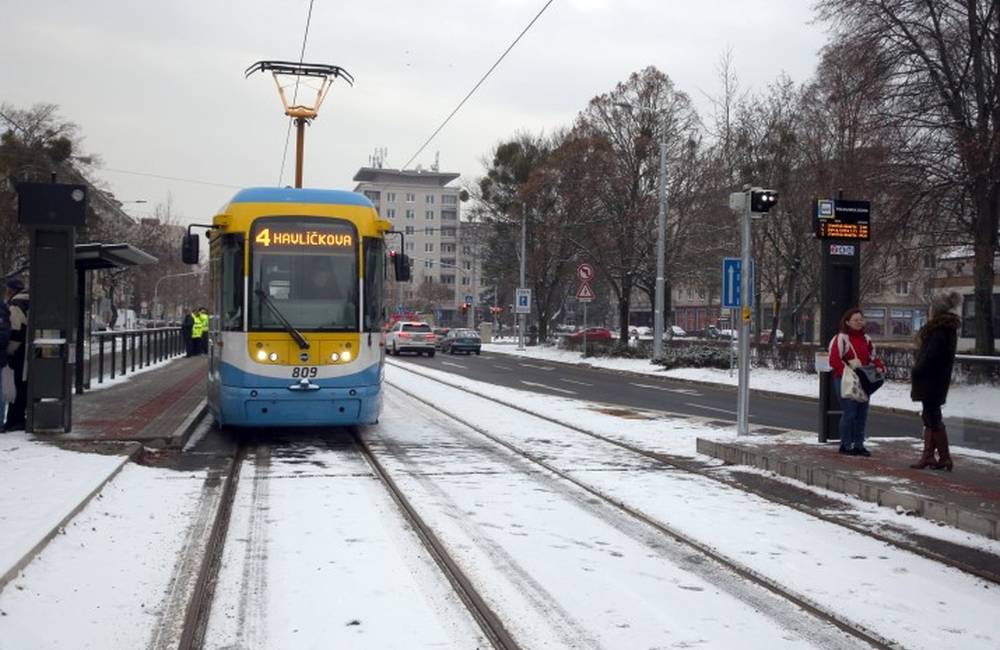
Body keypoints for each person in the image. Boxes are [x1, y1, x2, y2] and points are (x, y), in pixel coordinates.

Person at [909, 292, 961, 471]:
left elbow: (930, 356)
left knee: (932, 417)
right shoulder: (947, 328)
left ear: (936, 310)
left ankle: (939, 457)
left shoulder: (939, 330)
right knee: (931, 416)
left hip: (931, 380)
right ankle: (932, 456)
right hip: (936, 380)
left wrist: (917, 370)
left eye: (931, 308)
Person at [828, 308, 886, 456]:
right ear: (847, 322)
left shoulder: (866, 339)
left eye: (861, 319)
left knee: (862, 413)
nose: (859, 322)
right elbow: (834, 360)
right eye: (856, 320)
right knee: (850, 412)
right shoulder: (841, 338)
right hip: (845, 380)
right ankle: (846, 445)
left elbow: (872, 357)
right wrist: (848, 372)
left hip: (863, 380)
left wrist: (879, 366)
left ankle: (859, 445)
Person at [4, 277, 29, 431]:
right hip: (30, 349)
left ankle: (15, 419)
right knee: (24, 385)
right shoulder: (30, 300)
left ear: (11, 290)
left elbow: (15, 330)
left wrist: (10, 350)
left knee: (15, 386)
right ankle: (20, 417)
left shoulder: (15, 305)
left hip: (19, 351)